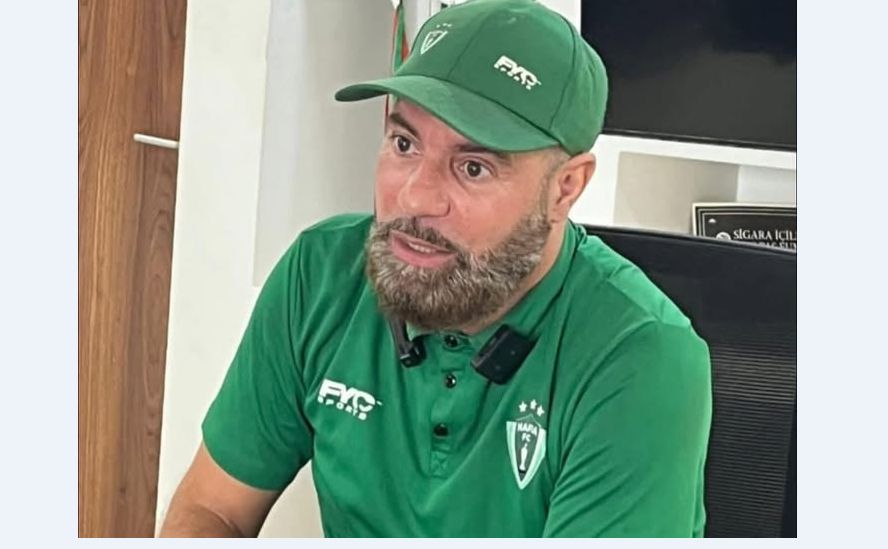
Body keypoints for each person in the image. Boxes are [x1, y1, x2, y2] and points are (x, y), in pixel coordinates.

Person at [160, 0, 712, 538]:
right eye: (404, 143)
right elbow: (214, 507)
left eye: (473, 168)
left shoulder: (640, 356)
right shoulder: (320, 276)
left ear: (565, 188)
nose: (415, 196)